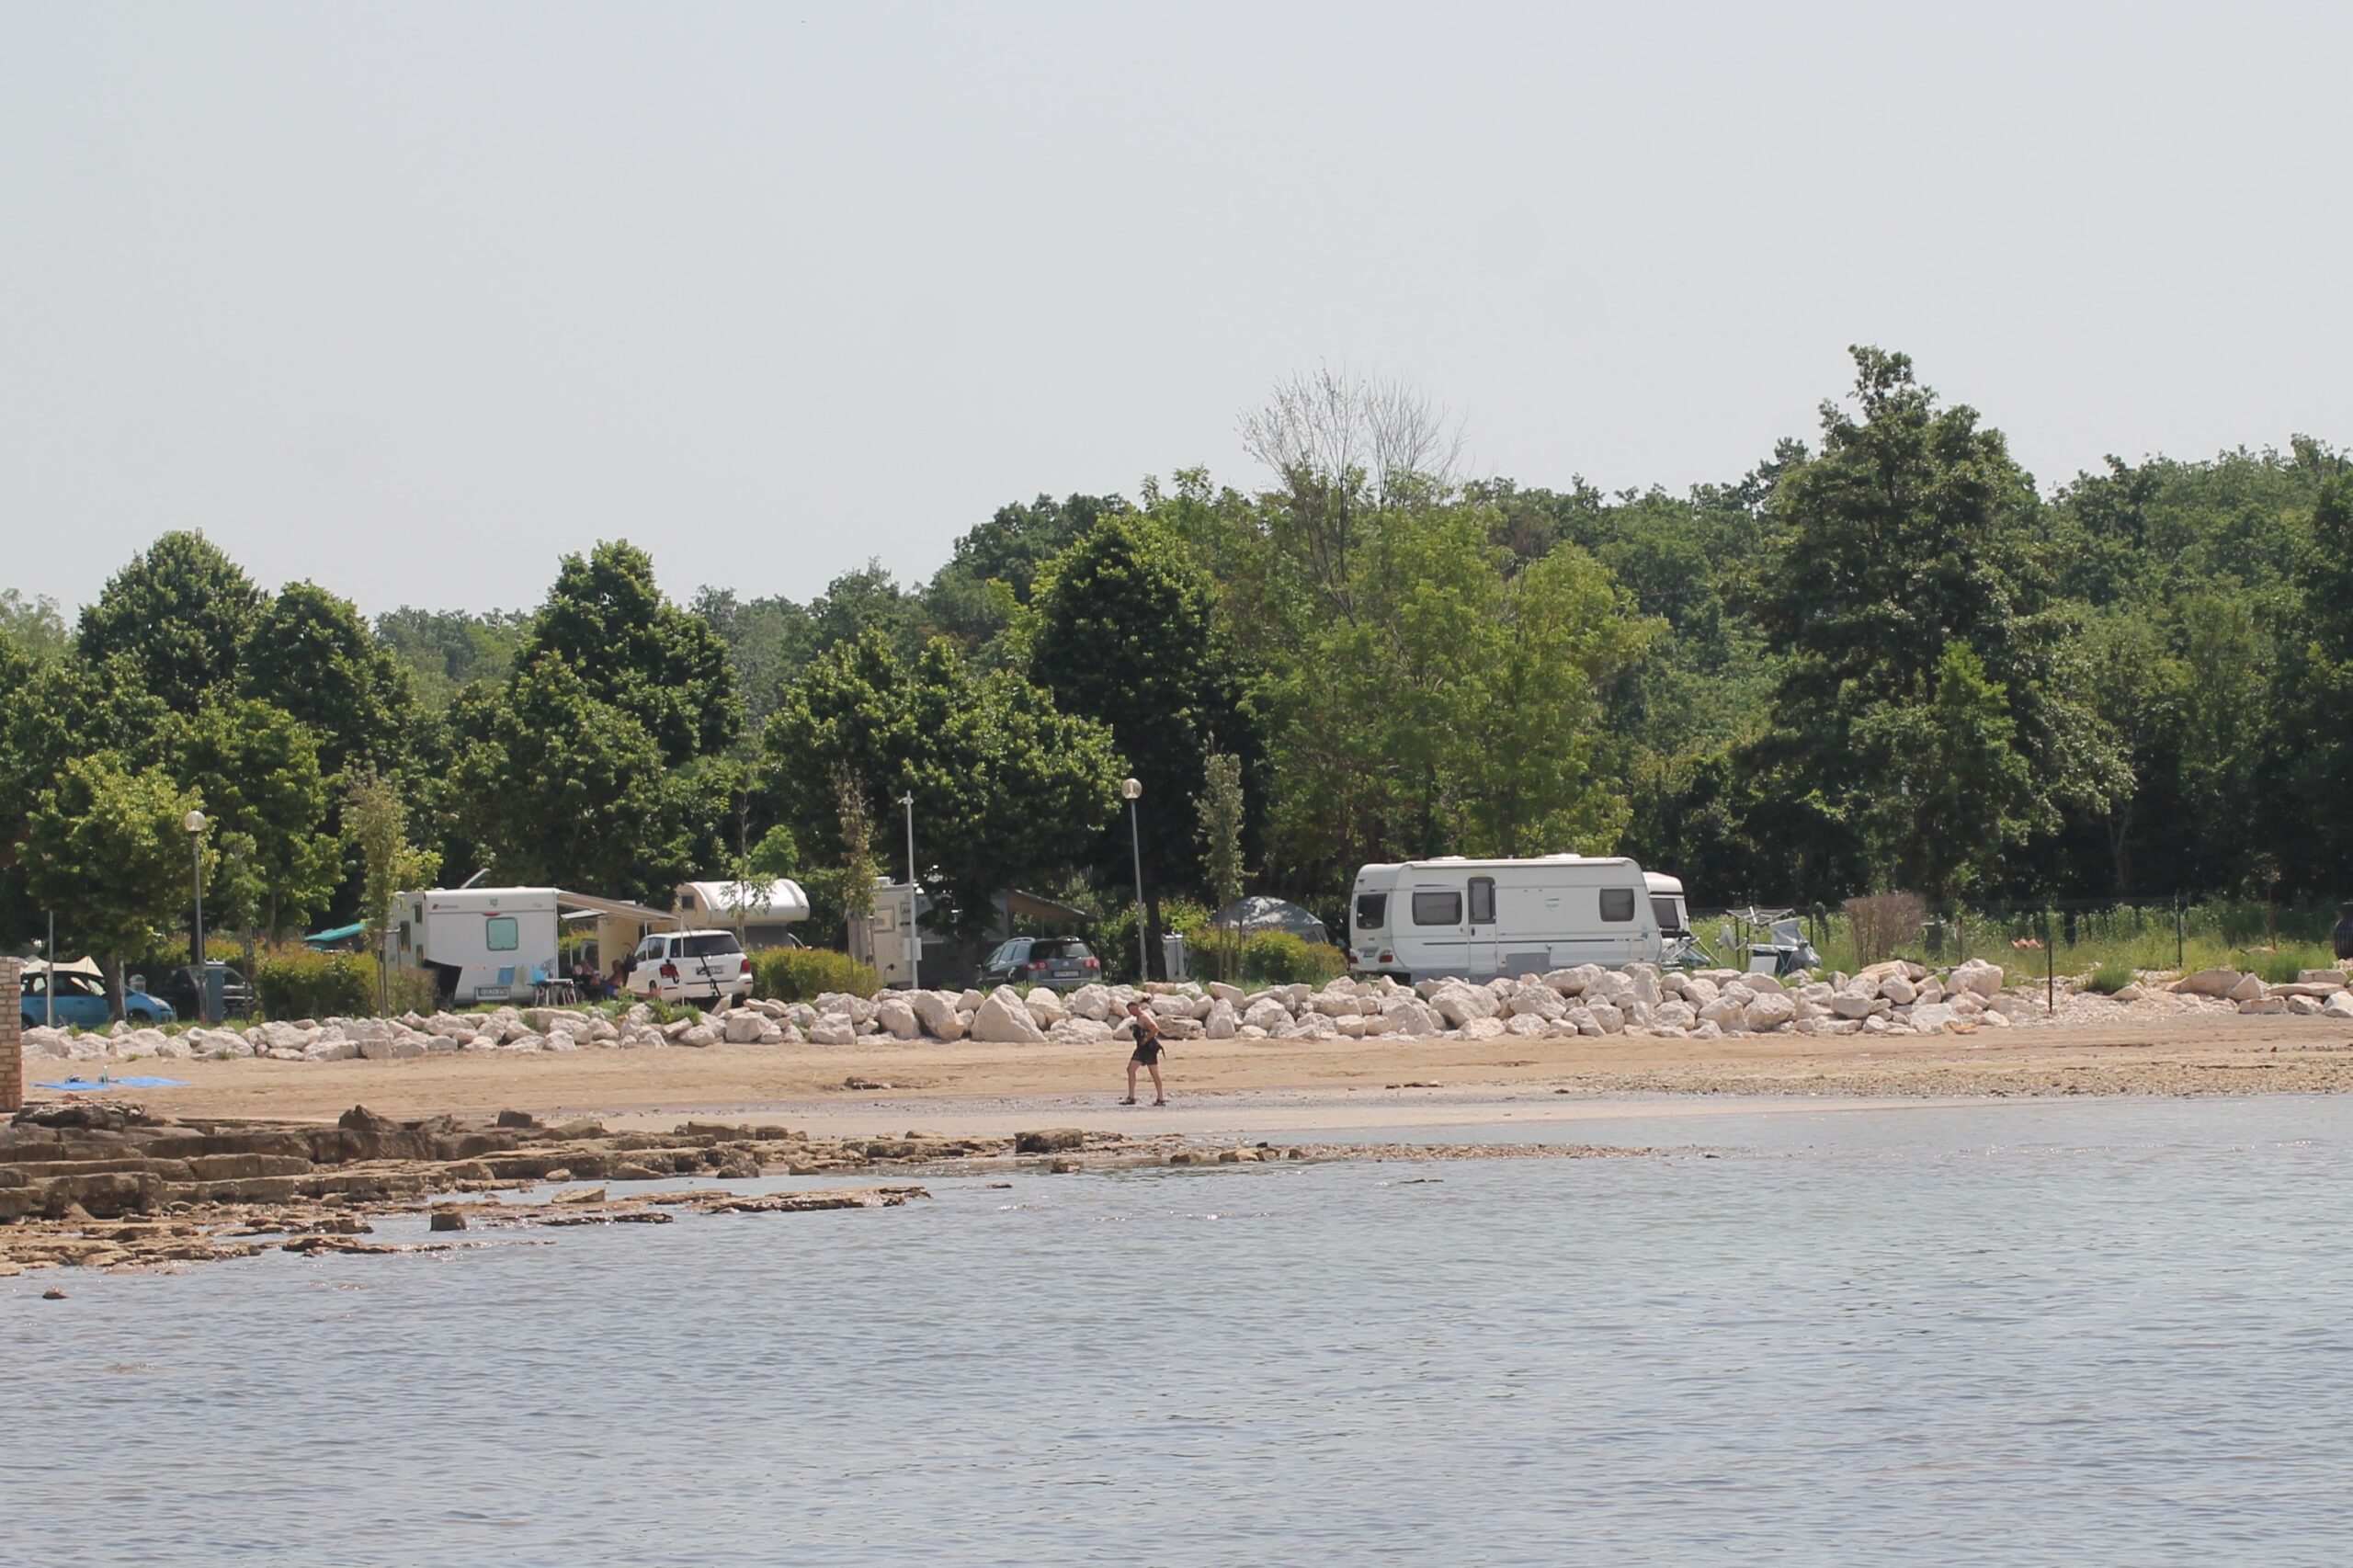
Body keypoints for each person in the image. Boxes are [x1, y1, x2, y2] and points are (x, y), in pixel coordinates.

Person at [1121, 999, 1166, 1106]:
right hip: (1143, 1048)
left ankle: (1159, 1098)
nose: (1131, 1013)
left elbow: (1155, 1028)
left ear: (1136, 1008)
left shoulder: (1144, 1017)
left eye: (1132, 1010)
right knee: (1132, 1070)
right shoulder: (1139, 1018)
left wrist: (1146, 1039)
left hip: (1148, 1048)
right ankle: (1133, 1096)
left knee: (1151, 1072)